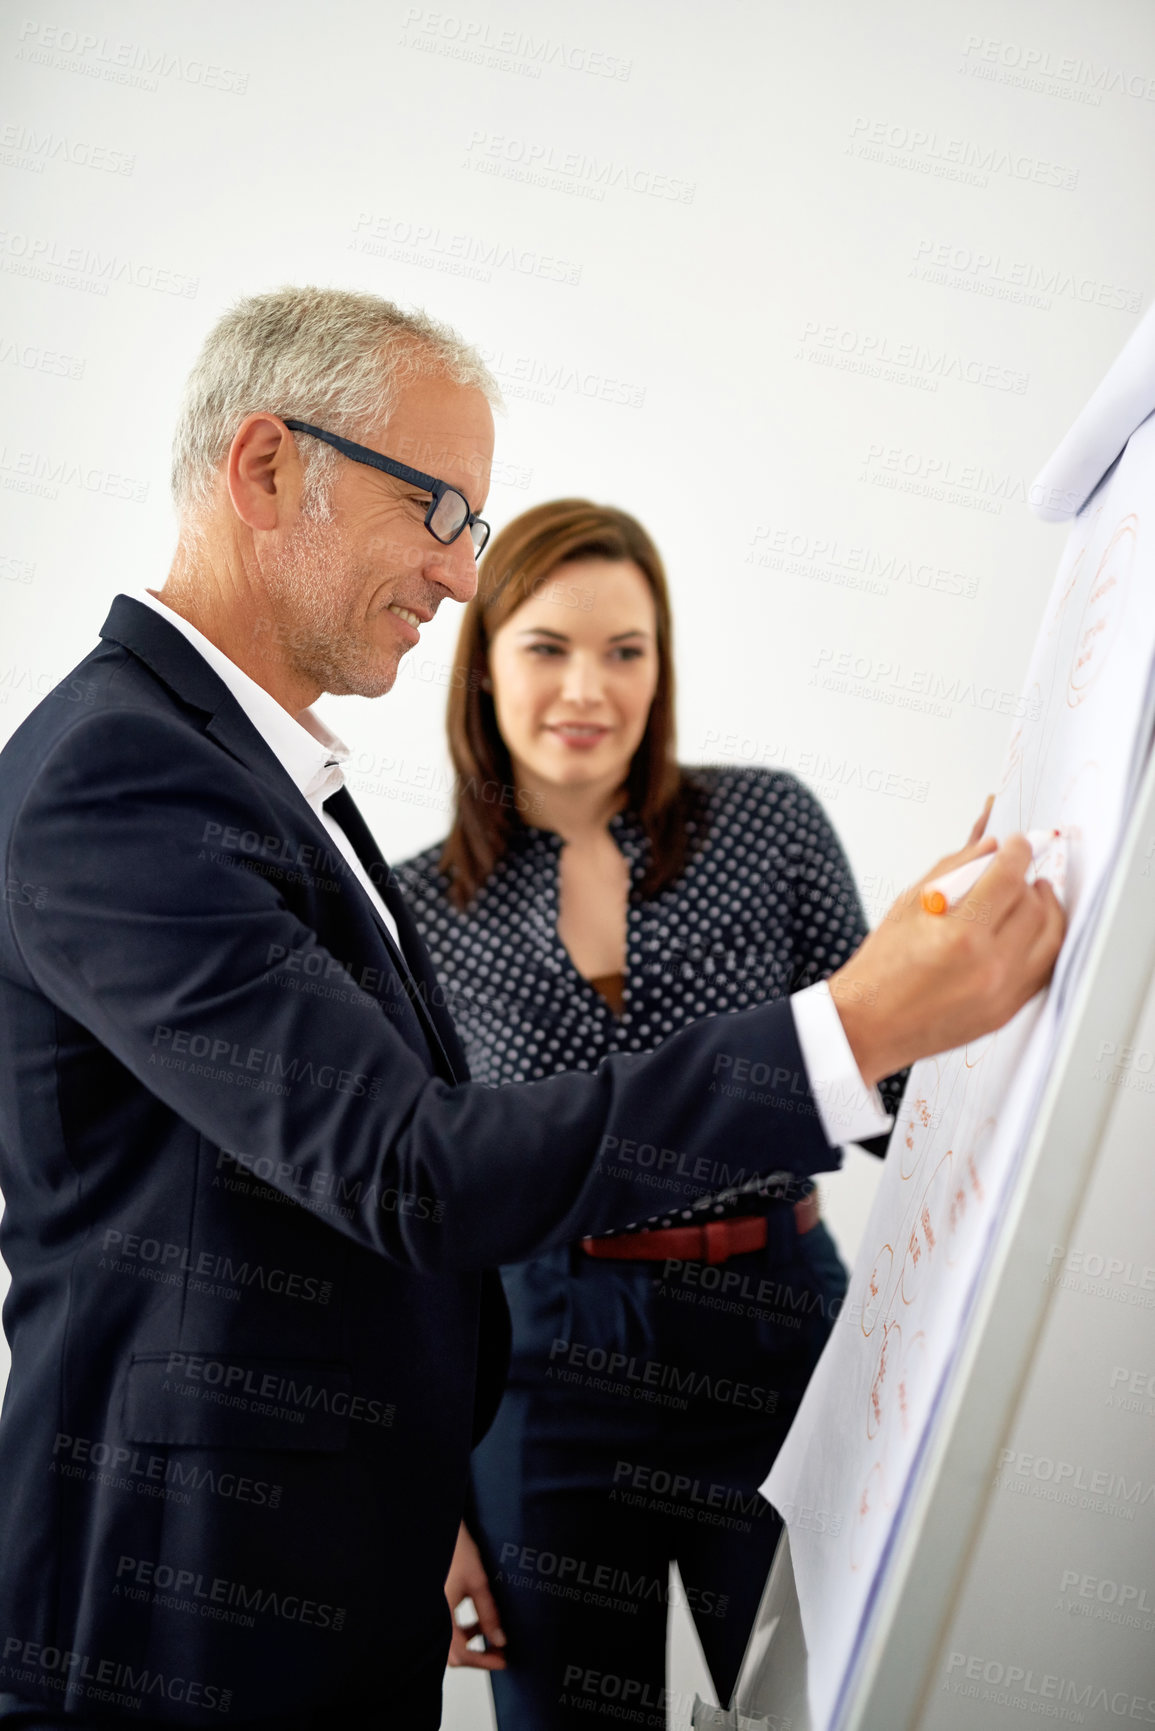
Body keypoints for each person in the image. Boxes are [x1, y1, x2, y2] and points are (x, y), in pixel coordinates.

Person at [0, 287, 1064, 1730]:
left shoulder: (254, 776)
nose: (455, 576)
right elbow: (416, 1164)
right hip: (194, 1588)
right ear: (264, 468)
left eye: (472, 527)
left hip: (327, 1532)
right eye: (437, 507)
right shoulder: (119, 778)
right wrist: (850, 1022)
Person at [397, 500, 981, 1725]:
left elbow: (891, 1087)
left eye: (627, 650)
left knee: (825, 1697)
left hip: (776, 1330)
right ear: (485, 659)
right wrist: (431, 1502)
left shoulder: (767, 825)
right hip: (539, 1365)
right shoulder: (413, 915)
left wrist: (969, 962)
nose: (588, 687)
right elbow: (411, 1212)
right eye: (549, 646)